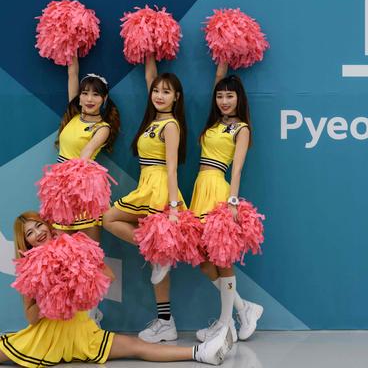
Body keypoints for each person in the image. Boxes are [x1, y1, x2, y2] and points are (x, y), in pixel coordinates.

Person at [0, 212, 232, 367]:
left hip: (82, 331)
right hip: (46, 337)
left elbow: (108, 277)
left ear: (48, 225)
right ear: (26, 242)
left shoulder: (78, 246)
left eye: (38, 225)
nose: (38, 232)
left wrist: (79, 278)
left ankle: (201, 352)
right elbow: (31, 318)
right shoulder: (29, 269)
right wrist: (51, 292)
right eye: (30, 232)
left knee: (137, 347)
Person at [103, 55, 186, 342]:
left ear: (176, 97)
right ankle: (167, 320)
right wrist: (148, 48)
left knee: (111, 219)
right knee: (116, 224)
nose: (159, 95)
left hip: (160, 187)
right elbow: (150, 76)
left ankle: (166, 321)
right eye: (156, 91)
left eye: (166, 91)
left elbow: (173, 167)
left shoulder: (171, 125)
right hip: (145, 184)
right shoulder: (153, 120)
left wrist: (174, 207)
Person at [190, 62, 263, 344]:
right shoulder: (214, 122)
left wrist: (232, 202)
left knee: (222, 258)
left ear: (239, 98)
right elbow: (218, 79)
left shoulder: (241, 128)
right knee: (205, 262)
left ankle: (225, 324)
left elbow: (237, 169)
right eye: (220, 96)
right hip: (200, 188)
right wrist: (220, 58)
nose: (224, 101)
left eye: (230, 96)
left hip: (219, 190)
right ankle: (243, 310)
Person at [53, 55, 120, 242]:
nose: (89, 99)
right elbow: (72, 72)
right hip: (60, 186)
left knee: (90, 253)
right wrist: (70, 40)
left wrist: (70, 183)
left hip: (83, 188)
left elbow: (86, 153)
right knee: (62, 247)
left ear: (104, 98)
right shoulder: (73, 113)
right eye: (85, 93)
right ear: (80, 97)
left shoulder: (103, 127)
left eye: (96, 94)